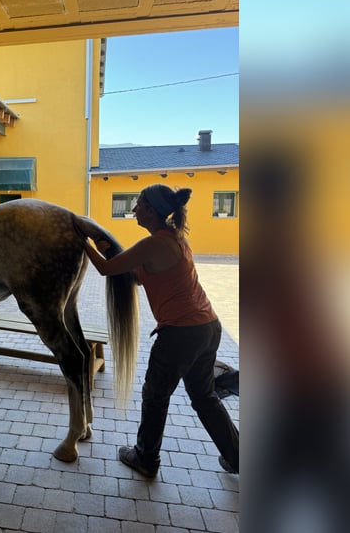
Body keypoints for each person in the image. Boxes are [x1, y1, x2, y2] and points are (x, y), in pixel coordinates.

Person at [81, 184, 239, 478]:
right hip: (207, 327)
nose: (133, 209)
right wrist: (109, 251)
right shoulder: (174, 239)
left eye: (139, 204)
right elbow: (136, 276)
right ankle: (238, 456)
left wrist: (81, 241)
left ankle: (145, 457)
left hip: (180, 334)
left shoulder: (153, 244)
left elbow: (104, 270)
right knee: (204, 397)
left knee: (155, 394)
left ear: (151, 211)